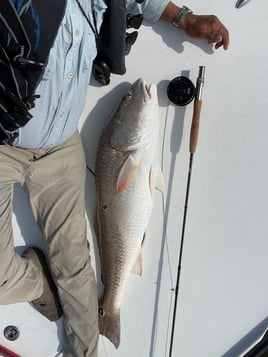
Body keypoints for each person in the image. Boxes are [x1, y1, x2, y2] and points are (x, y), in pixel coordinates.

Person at [0, 1, 229, 356]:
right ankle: (36, 283)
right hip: (4, 145)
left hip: (61, 149)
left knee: (75, 266)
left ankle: (88, 349)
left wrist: (185, 19)